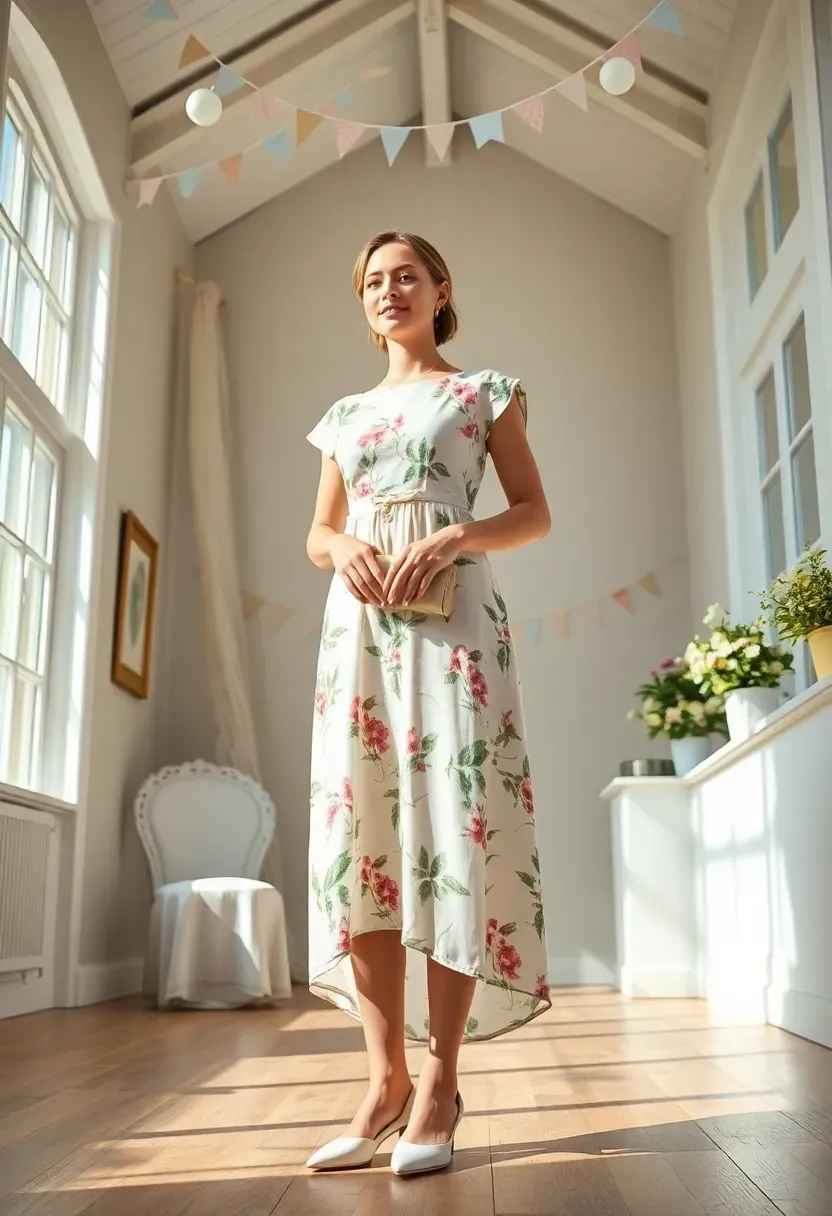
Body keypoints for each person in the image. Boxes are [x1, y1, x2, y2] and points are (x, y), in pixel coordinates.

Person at [304, 231, 551, 1177]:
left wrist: (452, 541)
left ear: (441, 288)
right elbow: (318, 530)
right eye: (371, 279)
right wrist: (344, 551)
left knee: (452, 830)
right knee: (363, 838)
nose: (388, 289)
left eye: (405, 275)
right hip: (360, 637)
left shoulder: (481, 392)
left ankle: (442, 1083)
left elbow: (533, 511)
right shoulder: (342, 415)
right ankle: (383, 1078)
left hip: (454, 632)